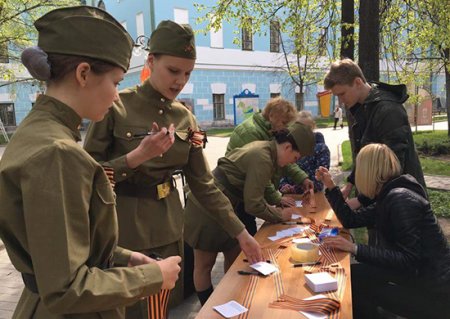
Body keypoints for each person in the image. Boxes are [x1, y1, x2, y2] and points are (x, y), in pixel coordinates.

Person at [0, 6, 182, 319]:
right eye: (115, 81)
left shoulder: (38, 131)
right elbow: (67, 289)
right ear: (84, 74)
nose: (115, 97)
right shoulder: (57, 153)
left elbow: (62, 245)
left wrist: (122, 257)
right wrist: (154, 276)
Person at [83, 20, 261, 318]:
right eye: (173, 71)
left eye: (188, 73)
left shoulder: (185, 119)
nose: (180, 81)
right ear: (151, 61)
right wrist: (134, 158)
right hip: (123, 229)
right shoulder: (116, 107)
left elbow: (204, 184)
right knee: (126, 310)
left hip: (168, 229)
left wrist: (240, 231)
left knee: (161, 308)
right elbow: (86, 176)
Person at [184, 122, 315, 305]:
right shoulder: (263, 157)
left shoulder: (267, 152)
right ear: (286, 147)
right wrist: (280, 215)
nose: (293, 162)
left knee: (234, 256)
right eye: (295, 157)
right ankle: (208, 309)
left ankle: (228, 302)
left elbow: (262, 185)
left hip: (226, 208)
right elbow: (253, 205)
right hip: (207, 208)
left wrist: (277, 201)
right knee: (204, 265)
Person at [316, 143, 450, 319]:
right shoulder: (389, 195)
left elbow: (408, 260)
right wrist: (331, 186)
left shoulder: (400, 199)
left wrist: (354, 248)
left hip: (433, 292)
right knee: (349, 275)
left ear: (368, 172)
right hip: (416, 275)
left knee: (352, 285)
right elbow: (351, 219)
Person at [324, 58, 426, 210]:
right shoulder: (365, 108)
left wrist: (361, 200)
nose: (341, 101)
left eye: (342, 94)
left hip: (403, 204)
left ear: (358, 82)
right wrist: (349, 185)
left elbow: (393, 166)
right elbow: (364, 154)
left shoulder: (388, 110)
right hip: (383, 200)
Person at [226, 97, 314, 207]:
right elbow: (259, 171)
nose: (286, 128)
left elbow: (283, 159)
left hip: (244, 190)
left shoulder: (271, 130)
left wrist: (302, 178)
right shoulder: (251, 132)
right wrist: (277, 198)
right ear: (272, 116)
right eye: (284, 122)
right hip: (234, 192)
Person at [279, 111, 330, 193]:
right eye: (300, 128)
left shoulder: (321, 149)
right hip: (288, 197)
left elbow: (319, 180)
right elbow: (283, 169)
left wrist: (294, 189)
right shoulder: (289, 147)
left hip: (313, 196)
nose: (303, 132)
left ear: (313, 126)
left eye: (308, 128)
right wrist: (283, 185)